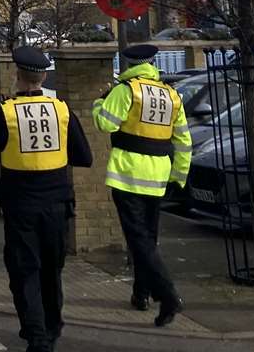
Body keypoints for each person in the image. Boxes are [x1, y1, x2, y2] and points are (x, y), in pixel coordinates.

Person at [0, 47, 92, 352]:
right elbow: (84, 157)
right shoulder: (63, 110)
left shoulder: (3, 113)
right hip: (57, 203)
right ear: (43, 76)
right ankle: (52, 328)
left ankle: (36, 334)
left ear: (18, 75)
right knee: (52, 270)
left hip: (21, 205)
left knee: (25, 269)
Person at [91, 43, 190, 328]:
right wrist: (178, 176)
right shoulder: (172, 95)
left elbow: (104, 124)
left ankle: (168, 295)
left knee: (139, 240)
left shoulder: (127, 90)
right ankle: (141, 293)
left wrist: (99, 103)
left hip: (128, 174)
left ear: (129, 63)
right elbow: (183, 140)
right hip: (158, 176)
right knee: (148, 238)